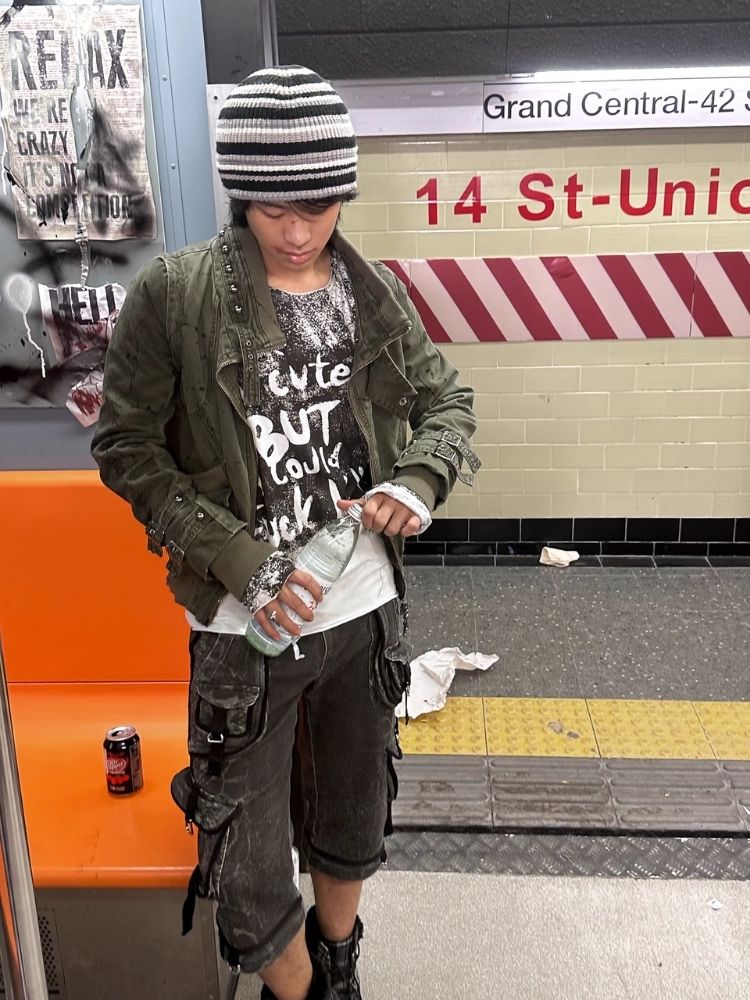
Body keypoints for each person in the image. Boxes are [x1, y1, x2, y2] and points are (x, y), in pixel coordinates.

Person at [92, 65, 479, 1000]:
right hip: (244, 630)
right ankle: (294, 989)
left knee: (353, 818)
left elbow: (446, 403)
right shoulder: (175, 295)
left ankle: (338, 965)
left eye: (318, 205)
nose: (298, 231)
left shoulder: (370, 292)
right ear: (241, 196)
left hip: (364, 612)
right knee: (245, 858)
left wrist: (418, 479)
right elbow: (126, 448)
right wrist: (240, 559)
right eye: (273, 209)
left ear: (344, 192)